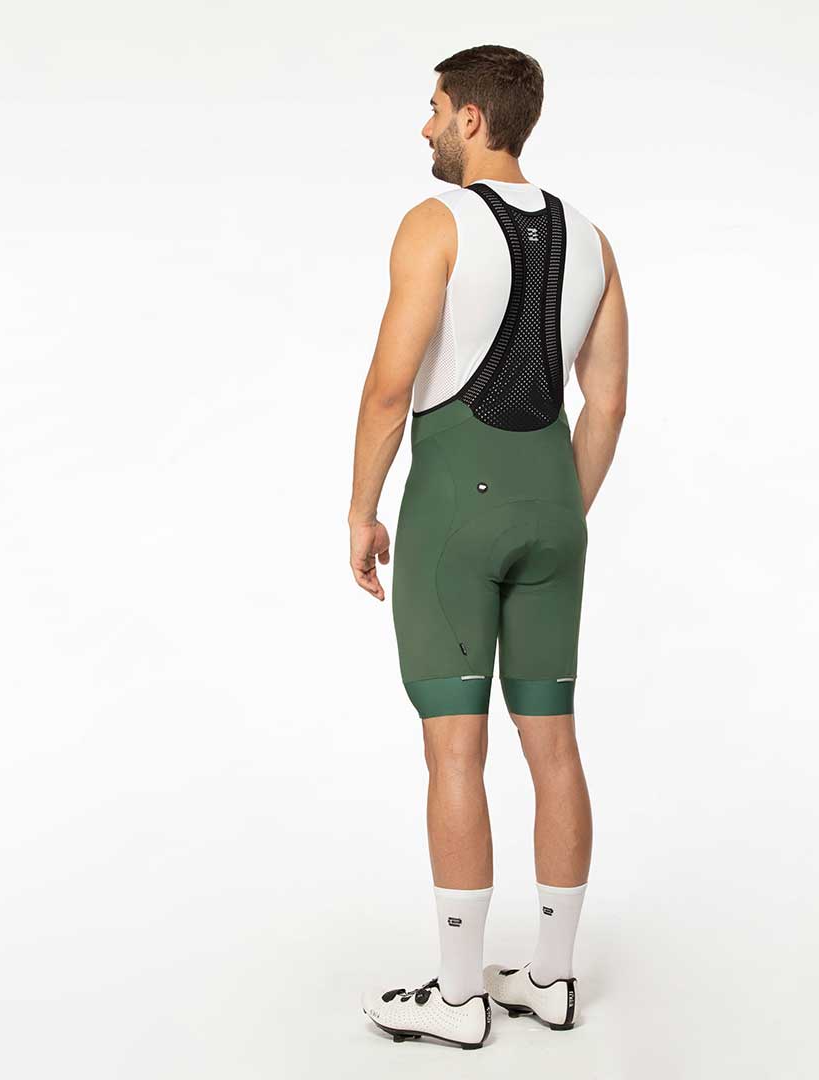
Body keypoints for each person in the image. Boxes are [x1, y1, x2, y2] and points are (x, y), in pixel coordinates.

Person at [349, 44, 628, 1050]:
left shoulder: (436, 222)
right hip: (554, 513)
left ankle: (460, 997)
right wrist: (555, 509)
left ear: (471, 117)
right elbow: (607, 404)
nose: (426, 126)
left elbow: (391, 389)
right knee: (553, 743)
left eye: (434, 107)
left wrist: (361, 511)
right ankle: (551, 979)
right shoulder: (594, 239)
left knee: (455, 749)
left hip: (452, 514)